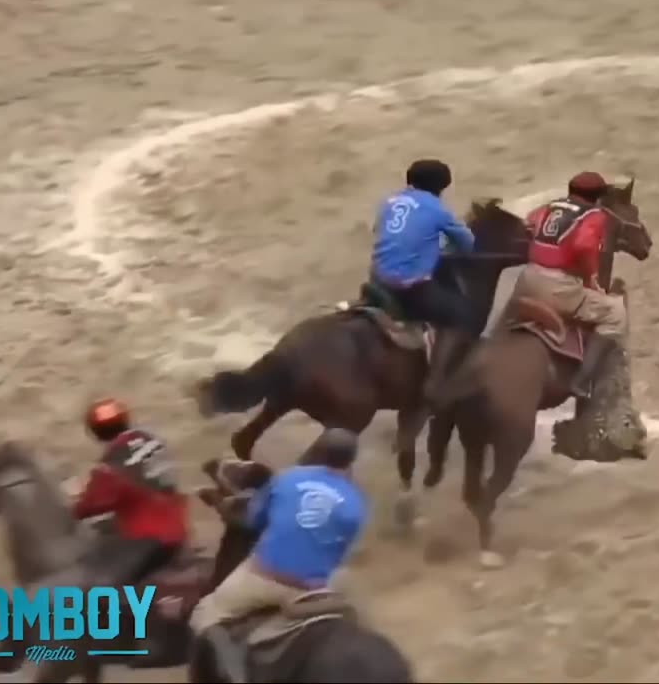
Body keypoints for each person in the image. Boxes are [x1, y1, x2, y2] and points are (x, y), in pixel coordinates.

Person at [190, 428, 368, 683]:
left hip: (266, 579)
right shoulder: (356, 503)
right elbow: (340, 551)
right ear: (352, 459)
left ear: (319, 452)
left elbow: (253, 519)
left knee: (205, 613)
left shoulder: (288, 479)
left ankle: (234, 676)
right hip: (315, 589)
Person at [370, 159, 483, 407]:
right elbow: (468, 244)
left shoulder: (389, 202)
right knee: (460, 315)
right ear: (441, 187)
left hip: (376, 277)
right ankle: (435, 383)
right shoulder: (438, 210)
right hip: (408, 287)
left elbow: (381, 232)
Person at [518, 171, 628, 398]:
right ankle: (582, 381)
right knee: (615, 314)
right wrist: (592, 276)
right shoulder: (595, 215)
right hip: (558, 287)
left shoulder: (550, 206)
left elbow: (528, 223)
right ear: (598, 197)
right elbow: (583, 246)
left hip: (527, 278)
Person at [73, 398, 189, 586]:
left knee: (94, 582)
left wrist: (73, 502)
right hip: (178, 529)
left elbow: (86, 507)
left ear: (95, 432)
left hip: (148, 543)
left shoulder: (111, 464)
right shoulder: (153, 440)